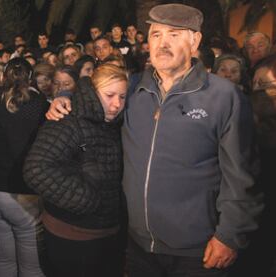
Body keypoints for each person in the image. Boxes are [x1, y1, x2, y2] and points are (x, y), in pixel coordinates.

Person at [46, 4, 263, 277]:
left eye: (174, 34)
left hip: (199, 251)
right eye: (156, 35)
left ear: (195, 41)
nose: (163, 43)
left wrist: (230, 235)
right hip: (138, 247)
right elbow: (96, 99)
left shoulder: (223, 97)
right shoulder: (133, 88)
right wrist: (64, 100)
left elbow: (242, 177)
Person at [24, 64, 128, 277]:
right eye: (109, 95)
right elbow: (36, 169)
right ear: (92, 92)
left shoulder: (117, 124)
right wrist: (85, 199)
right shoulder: (67, 119)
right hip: (74, 236)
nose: (117, 104)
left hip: (108, 233)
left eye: (123, 97)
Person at [0, 58, 48, 277]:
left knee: (3, 259)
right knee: (32, 265)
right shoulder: (40, 105)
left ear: (3, 77)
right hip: (24, 193)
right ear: (30, 78)